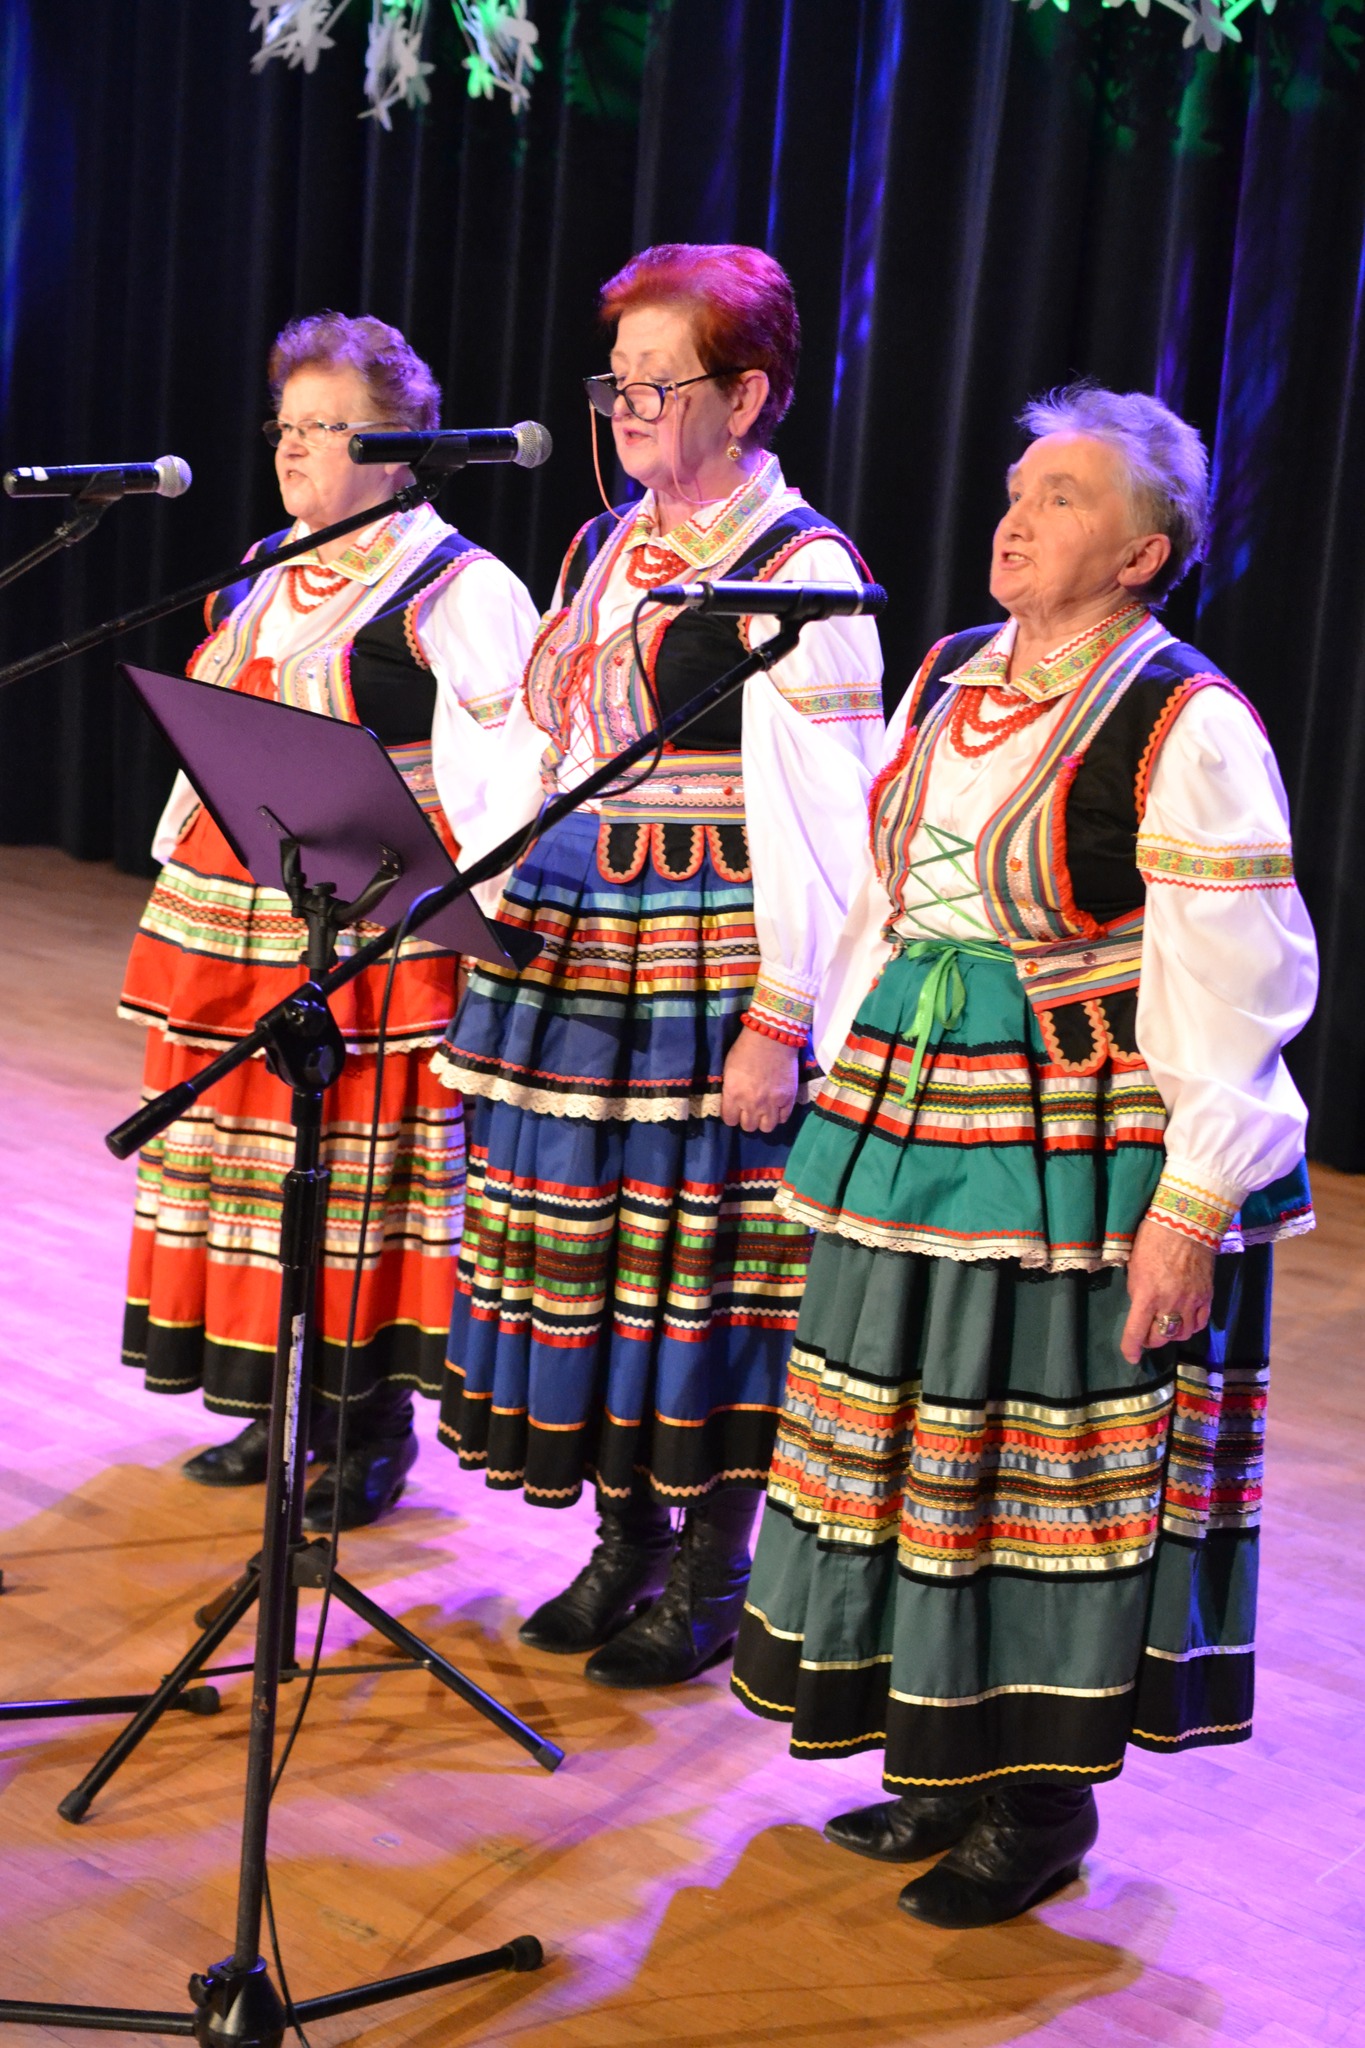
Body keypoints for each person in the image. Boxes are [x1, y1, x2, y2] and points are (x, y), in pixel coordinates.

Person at [731, 385, 1317, 1926]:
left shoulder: (1182, 718)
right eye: (1014, 488)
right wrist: (824, 1052)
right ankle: (937, 1751)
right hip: (913, 1106)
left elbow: (1238, 980)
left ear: (1143, 551)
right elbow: (883, 901)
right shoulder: (948, 671)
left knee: (1032, 1452)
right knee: (906, 1434)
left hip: (1076, 1136)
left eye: (1061, 497)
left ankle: (1037, 1801)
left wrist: (1192, 1206)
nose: (1014, 518)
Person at [429, 243, 885, 1688]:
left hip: (708, 944)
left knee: (704, 1256)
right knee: (596, 1247)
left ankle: (711, 1569)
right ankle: (623, 1538)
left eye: (657, 383)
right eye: (614, 382)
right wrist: (486, 894)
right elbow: (540, 742)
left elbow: (829, 821)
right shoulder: (603, 544)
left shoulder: (801, 571)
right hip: (577, 936)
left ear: (745, 395)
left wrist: (783, 1017)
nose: (626, 409)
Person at [121, 311, 538, 1529]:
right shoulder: (265, 563)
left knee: (357, 1174)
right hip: (243, 909)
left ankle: (363, 1426)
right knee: (252, 1161)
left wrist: (479, 926)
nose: (292, 448)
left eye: (323, 427)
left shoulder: (459, 587)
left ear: (399, 448)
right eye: (284, 426)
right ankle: (274, 1397)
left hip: (373, 927)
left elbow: (512, 773)